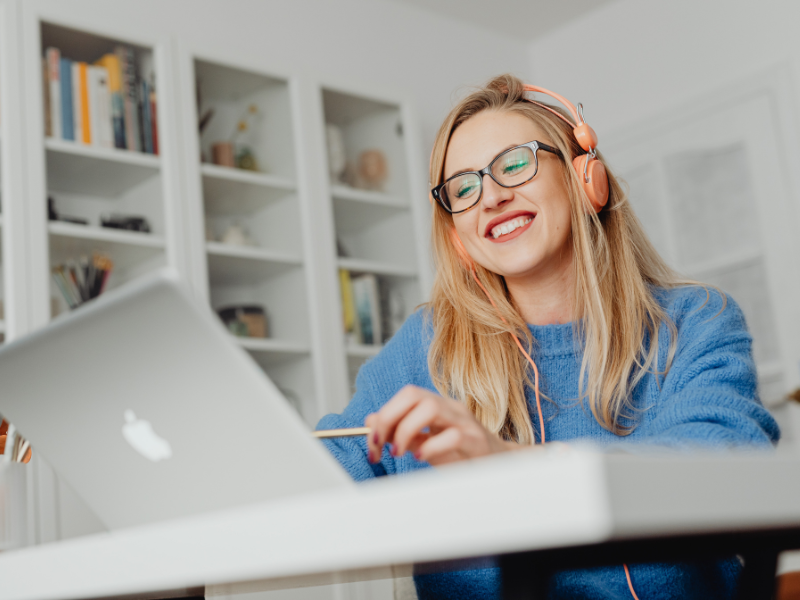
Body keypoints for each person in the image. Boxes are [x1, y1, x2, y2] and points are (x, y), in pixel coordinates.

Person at [316, 74, 779, 600]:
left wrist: (509, 467)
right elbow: (322, 479)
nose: (490, 195)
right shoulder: (425, 349)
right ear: (459, 237)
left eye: (515, 163)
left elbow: (721, 465)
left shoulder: (696, 323)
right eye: (463, 188)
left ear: (586, 179)